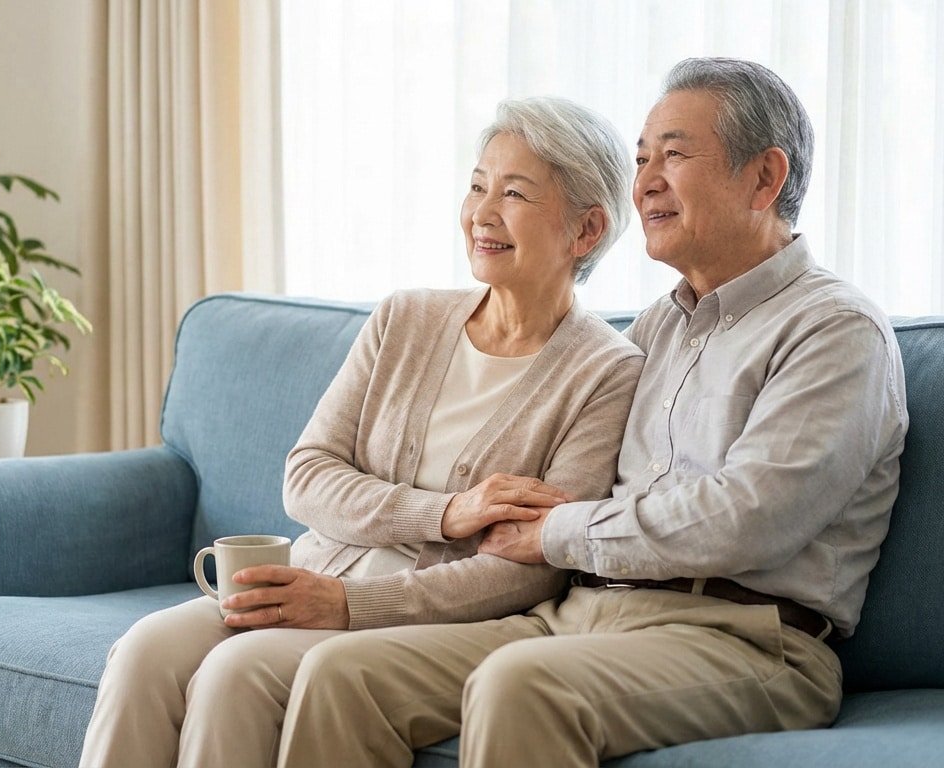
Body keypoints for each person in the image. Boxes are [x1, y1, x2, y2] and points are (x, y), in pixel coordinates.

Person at [276, 57, 910, 767]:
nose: (644, 183)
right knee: (343, 676)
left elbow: (750, 518)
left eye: (673, 155)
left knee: (520, 687)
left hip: (748, 636)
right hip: (585, 613)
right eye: (641, 159)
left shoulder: (834, 328)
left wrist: (557, 532)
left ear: (764, 178)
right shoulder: (653, 333)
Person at [79, 97, 647, 768]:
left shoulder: (605, 372)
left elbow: (530, 571)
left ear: (586, 231)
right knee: (145, 651)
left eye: (515, 193)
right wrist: (447, 513)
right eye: (476, 185)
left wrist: (350, 603)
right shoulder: (404, 320)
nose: (482, 213)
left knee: (237, 674)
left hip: (424, 623)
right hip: (310, 575)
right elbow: (307, 475)